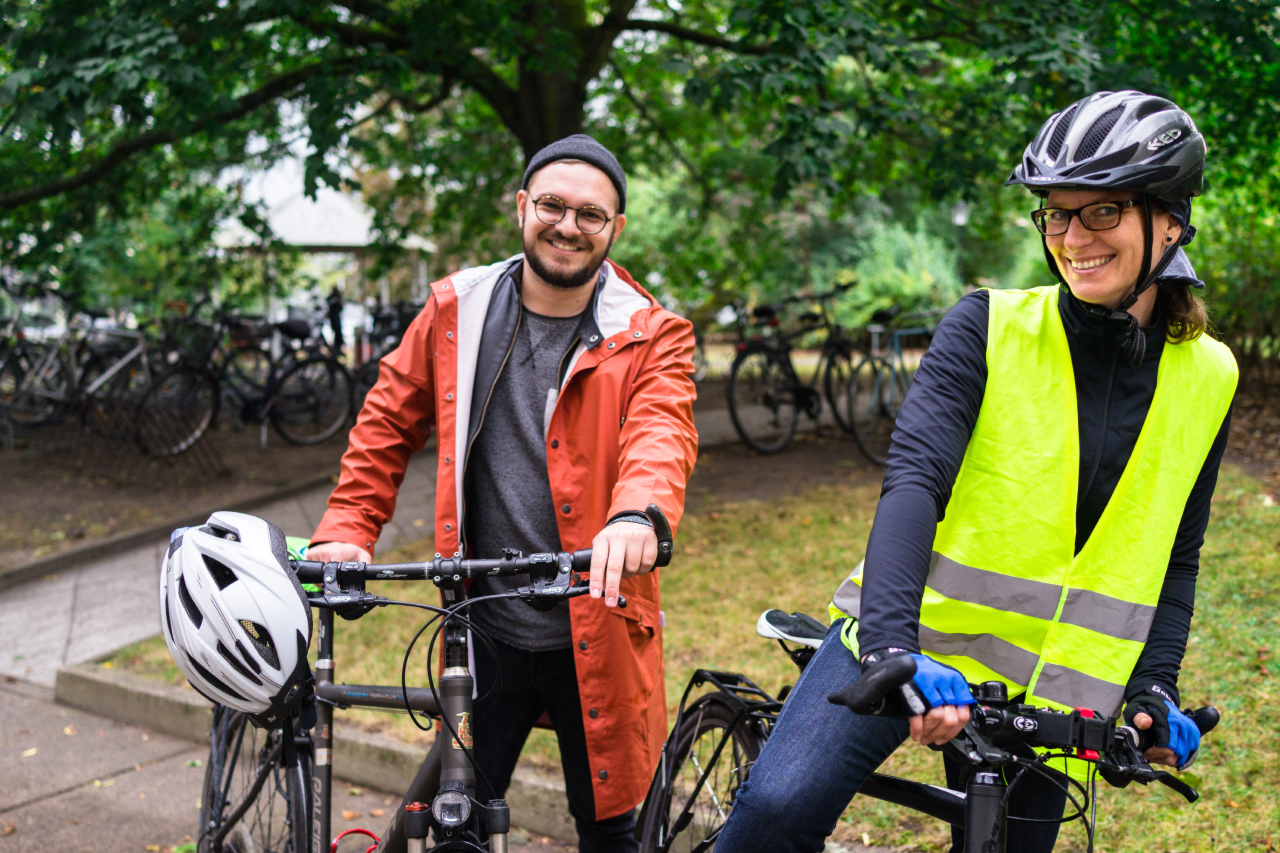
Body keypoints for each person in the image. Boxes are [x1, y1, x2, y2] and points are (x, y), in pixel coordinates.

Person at [716, 90, 1236, 853]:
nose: (1070, 236)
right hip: (906, 643)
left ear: (1171, 221)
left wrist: (1156, 683)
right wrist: (893, 649)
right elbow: (914, 481)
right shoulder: (986, 327)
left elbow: (1176, 551)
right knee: (778, 810)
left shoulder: (1211, 374)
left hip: (1057, 698)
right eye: (1056, 213)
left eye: (1101, 212)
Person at [307, 135, 699, 851]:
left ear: (616, 229)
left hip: (600, 627)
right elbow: (388, 420)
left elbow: (661, 433)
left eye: (591, 213)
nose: (568, 225)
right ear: (522, 206)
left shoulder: (651, 334)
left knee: (616, 832)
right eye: (552, 204)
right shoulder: (457, 308)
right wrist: (347, 525)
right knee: (453, 825)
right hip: (479, 627)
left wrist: (637, 513)